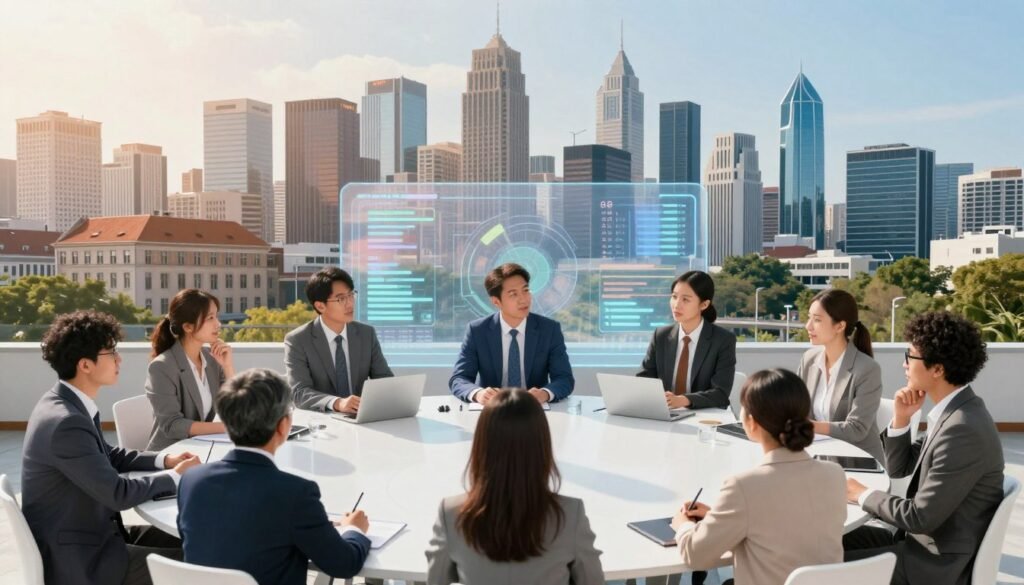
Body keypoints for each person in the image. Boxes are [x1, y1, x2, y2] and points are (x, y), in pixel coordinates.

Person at [21, 310, 200, 585]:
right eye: (110, 352)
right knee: (203, 563)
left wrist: (164, 460)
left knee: (199, 538)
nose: (119, 359)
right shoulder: (66, 422)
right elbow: (117, 494)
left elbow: (110, 455)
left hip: (96, 537)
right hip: (86, 562)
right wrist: (176, 476)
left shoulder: (66, 403)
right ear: (85, 365)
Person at [844, 311, 1004, 585]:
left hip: (932, 564)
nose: (904, 364)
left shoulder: (961, 429)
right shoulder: (956, 411)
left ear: (938, 369)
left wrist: (861, 494)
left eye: (910, 356)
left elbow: (919, 517)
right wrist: (902, 419)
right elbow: (899, 468)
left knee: (815, 560)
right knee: (820, 539)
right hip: (918, 544)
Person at [177, 368, 371, 585]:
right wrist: (354, 529)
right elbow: (344, 564)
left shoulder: (191, 480)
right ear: (283, 426)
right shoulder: (295, 494)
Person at [671, 369, 846, 585]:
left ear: (752, 423)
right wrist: (720, 516)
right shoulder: (835, 475)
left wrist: (683, 525)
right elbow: (787, 525)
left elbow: (695, 555)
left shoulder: (744, 487)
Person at [425, 389, 603, 584]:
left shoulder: (451, 514)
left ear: (481, 445)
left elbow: (436, 579)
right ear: (541, 446)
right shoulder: (570, 515)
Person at [449, 263, 575, 405]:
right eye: (513, 294)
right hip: (493, 412)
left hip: (534, 412)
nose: (523, 299)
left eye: (525, 290)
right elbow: (459, 379)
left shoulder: (549, 329)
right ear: (496, 301)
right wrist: (478, 394)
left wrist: (544, 394)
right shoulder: (477, 331)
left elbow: (564, 379)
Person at [285, 266, 393, 414]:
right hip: (322, 425)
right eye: (341, 298)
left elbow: (384, 380)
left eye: (351, 295)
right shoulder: (298, 340)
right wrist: (337, 403)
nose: (350, 303)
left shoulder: (366, 334)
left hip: (360, 419)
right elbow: (299, 393)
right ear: (320, 306)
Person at [797, 288, 884, 461]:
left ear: (840, 326)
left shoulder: (867, 369)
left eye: (817, 320)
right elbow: (797, 409)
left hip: (857, 462)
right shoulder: (809, 360)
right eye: (809, 318)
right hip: (818, 458)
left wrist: (808, 427)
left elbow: (856, 429)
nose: (808, 326)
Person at [145, 288, 234, 450]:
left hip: (202, 448)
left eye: (217, 316)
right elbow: (172, 425)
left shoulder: (211, 359)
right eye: (210, 318)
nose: (218, 324)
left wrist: (227, 366)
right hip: (171, 454)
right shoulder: (161, 367)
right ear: (188, 327)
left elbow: (235, 407)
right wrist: (227, 428)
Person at [637, 271, 736, 409]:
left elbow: (720, 394)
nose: (676, 305)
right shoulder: (661, 336)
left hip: (704, 415)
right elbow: (644, 379)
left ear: (704, 304)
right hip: (664, 413)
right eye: (674, 296)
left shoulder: (723, 340)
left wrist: (683, 400)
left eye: (685, 299)